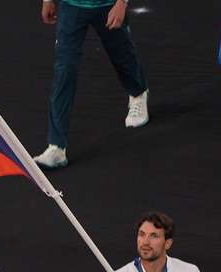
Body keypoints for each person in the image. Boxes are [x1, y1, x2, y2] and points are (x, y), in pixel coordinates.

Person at [33, 0, 149, 169]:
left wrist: (122, 3)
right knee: (64, 70)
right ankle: (56, 147)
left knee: (122, 55)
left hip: (108, 4)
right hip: (72, 6)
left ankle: (138, 94)